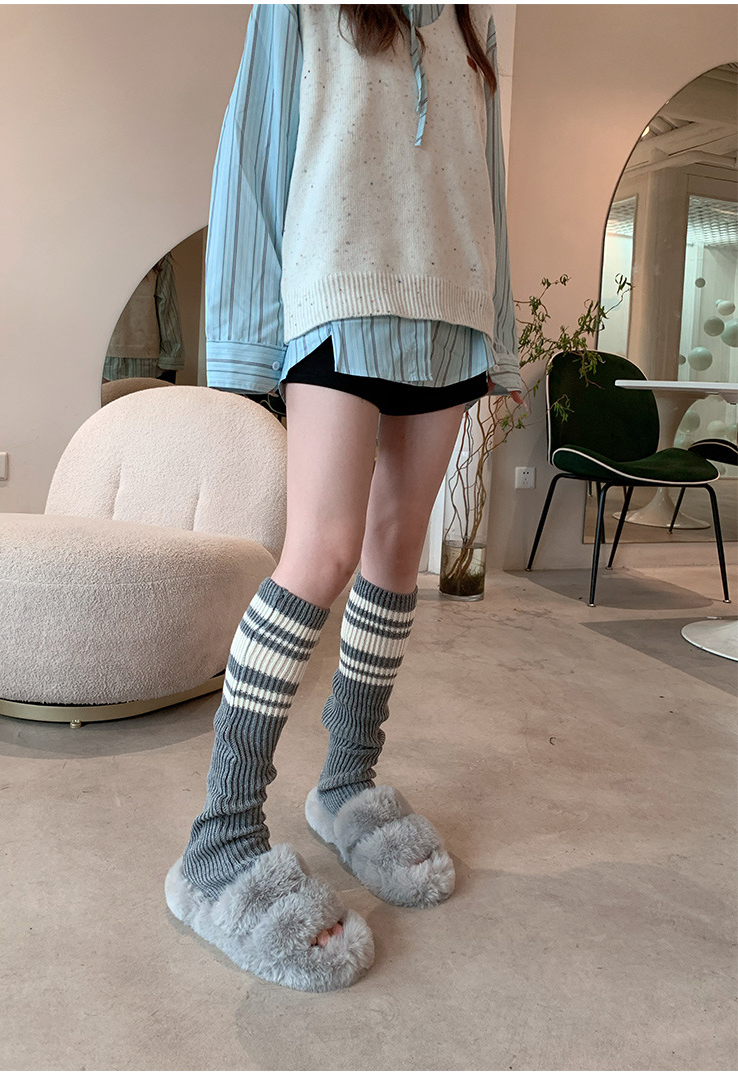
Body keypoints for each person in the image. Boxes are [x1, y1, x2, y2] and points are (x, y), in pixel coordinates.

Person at [165, 3, 525, 993]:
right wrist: (243, 343)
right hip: (337, 290)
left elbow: (486, 179)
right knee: (319, 551)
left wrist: (497, 335)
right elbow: (253, 150)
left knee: (395, 550)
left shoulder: (476, 17)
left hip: (451, 305)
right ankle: (219, 840)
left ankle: (348, 784)